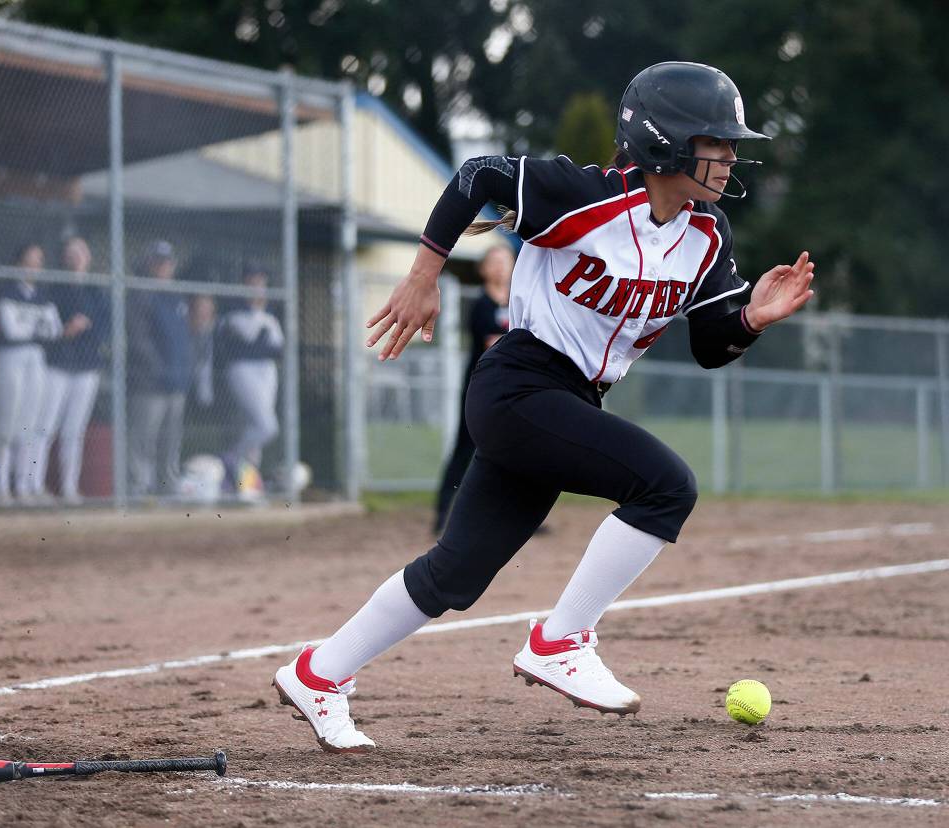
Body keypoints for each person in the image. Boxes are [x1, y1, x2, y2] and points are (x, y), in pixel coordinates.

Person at [272, 62, 815, 753]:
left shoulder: (708, 235)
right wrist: (422, 275)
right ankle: (560, 640)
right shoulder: (582, 194)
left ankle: (318, 674)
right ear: (665, 141)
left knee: (457, 572)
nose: (731, 154)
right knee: (665, 486)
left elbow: (712, 344)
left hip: (564, 399)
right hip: (519, 385)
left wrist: (753, 320)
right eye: (717, 140)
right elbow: (476, 176)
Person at [433, 245, 512, 533]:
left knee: (516, 451)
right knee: (465, 449)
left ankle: (518, 514)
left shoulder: (519, 301)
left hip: (513, 390)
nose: (502, 267)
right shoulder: (482, 305)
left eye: (506, 261)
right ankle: (443, 513)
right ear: (484, 269)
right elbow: (492, 343)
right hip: (480, 388)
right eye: (495, 261)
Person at [33, 236, 110, 504]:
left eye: (81, 251)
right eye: (71, 252)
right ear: (64, 258)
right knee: (45, 426)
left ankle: (69, 488)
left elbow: (103, 328)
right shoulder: (55, 288)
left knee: (74, 431)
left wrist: (84, 328)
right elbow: (49, 327)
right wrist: (67, 331)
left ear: (88, 257)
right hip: (57, 365)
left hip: (86, 367)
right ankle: (33, 486)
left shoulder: (97, 291)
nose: (76, 256)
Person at [0, 243, 63, 504]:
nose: (34, 266)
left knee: (30, 424)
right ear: (18, 263)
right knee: (8, 422)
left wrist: (30, 326)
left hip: (36, 358)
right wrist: (36, 326)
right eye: (29, 260)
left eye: (38, 260)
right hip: (10, 357)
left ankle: (23, 485)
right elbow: (11, 330)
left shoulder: (43, 294)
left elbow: (54, 331)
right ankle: (1, 486)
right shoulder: (6, 291)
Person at [126, 240, 194, 496]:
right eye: (158, 262)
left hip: (176, 380)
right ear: (148, 264)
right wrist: (158, 368)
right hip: (150, 382)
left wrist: (183, 369)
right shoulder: (141, 293)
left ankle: (167, 485)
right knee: (144, 437)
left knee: (171, 438)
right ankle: (137, 487)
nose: (164, 267)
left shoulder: (176, 295)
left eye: (167, 262)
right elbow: (138, 338)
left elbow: (186, 337)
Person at [215, 265, 284, 489]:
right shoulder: (232, 313)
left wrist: (260, 344)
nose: (257, 286)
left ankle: (245, 485)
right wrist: (260, 343)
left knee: (253, 430)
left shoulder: (269, 317)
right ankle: (230, 459)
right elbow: (242, 347)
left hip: (266, 373)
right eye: (252, 281)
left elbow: (277, 350)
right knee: (266, 426)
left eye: (260, 282)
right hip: (241, 370)